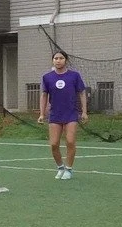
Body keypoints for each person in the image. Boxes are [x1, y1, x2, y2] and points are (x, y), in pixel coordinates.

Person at [38, 51, 90, 180]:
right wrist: (42, 114)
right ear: (52, 61)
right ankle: (60, 167)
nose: (58, 60)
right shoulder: (47, 77)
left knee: (70, 141)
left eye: (61, 58)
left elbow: (82, 93)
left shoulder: (74, 76)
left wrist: (84, 112)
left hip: (71, 114)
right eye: (56, 58)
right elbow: (44, 95)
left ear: (65, 60)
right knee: (54, 144)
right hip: (55, 114)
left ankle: (69, 169)